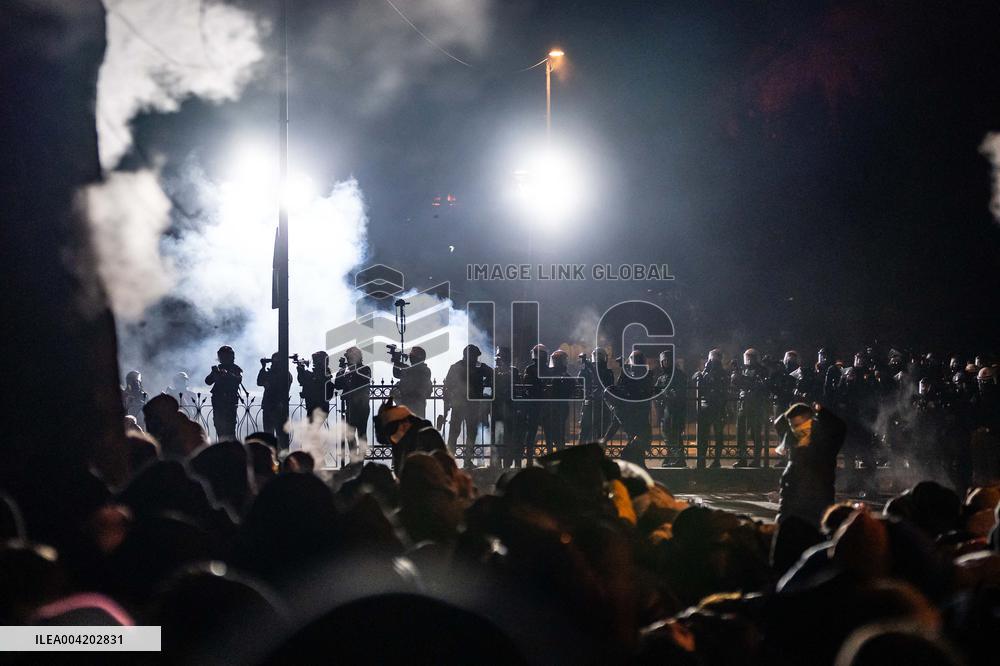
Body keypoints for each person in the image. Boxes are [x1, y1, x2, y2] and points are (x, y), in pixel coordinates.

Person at [773, 402, 845, 527]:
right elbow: (779, 423)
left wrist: (822, 412)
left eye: (798, 425)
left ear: (810, 423)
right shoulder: (794, 441)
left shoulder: (824, 444)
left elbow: (840, 428)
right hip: (794, 512)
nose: (795, 430)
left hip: (818, 507)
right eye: (792, 426)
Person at [603, 350, 655, 468]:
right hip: (638, 428)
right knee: (634, 457)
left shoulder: (644, 377)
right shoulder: (640, 376)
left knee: (631, 455)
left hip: (640, 429)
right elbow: (616, 422)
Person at [443, 345, 492, 466]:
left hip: (462, 404)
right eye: (475, 356)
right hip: (468, 404)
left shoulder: (457, 367)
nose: (476, 359)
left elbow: (448, 385)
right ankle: (464, 460)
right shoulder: (477, 367)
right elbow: (492, 374)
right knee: (467, 433)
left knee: (459, 433)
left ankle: (452, 461)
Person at [374, 401, 447, 473]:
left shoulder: (425, 438)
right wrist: (380, 419)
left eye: (390, 431)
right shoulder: (404, 437)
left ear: (403, 425)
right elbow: (382, 438)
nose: (391, 440)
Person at [732, 348, 769, 468]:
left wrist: (744, 381)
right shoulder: (744, 369)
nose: (748, 360)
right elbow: (737, 385)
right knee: (741, 433)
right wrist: (736, 375)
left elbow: (759, 386)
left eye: (750, 357)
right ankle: (742, 459)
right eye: (747, 357)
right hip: (743, 404)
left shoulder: (761, 370)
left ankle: (757, 460)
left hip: (756, 405)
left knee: (755, 434)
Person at [693, 349, 728, 469]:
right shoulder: (705, 372)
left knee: (718, 435)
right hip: (706, 407)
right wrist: (704, 371)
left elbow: (722, 387)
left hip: (718, 407)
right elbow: (695, 379)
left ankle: (716, 460)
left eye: (715, 359)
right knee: (703, 435)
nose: (712, 362)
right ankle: (701, 460)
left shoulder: (722, 373)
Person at [333, 347, 372, 455]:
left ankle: (361, 457)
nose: (349, 359)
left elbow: (363, 380)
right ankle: (354, 458)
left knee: (361, 433)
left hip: (362, 405)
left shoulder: (365, 369)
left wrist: (349, 369)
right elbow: (338, 385)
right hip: (350, 406)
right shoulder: (347, 371)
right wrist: (341, 370)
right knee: (349, 434)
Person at [517, 344, 550, 465]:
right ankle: (550, 460)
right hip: (545, 405)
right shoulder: (548, 369)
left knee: (531, 433)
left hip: (534, 405)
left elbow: (526, 385)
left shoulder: (530, 369)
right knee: (548, 434)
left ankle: (529, 460)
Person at [654, 351, 687, 467]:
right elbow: (656, 391)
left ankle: (679, 458)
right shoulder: (662, 377)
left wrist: (667, 393)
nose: (666, 363)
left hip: (677, 409)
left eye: (668, 360)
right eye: (664, 361)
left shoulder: (679, 375)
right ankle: (671, 457)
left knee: (673, 434)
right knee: (667, 432)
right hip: (666, 409)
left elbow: (680, 393)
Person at [205, 346, 242, 440]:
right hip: (218, 402)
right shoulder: (218, 368)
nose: (222, 358)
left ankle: (231, 446)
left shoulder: (235, 368)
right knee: (218, 425)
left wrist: (227, 374)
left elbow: (238, 379)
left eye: (224, 355)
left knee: (230, 428)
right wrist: (214, 373)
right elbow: (208, 381)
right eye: (221, 355)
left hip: (230, 402)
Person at [578, 347, 614, 444]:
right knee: (591, 432)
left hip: (596, 404)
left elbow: (606, 384)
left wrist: (586, 367)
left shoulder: (604, 372)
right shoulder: (591, 370)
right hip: (597, 404)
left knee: (587, 433)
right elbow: (580, 382)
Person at [257, 352, 292, 444]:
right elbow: (259, 382)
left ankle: (280, 451)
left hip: (278, 408)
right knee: (268, 435)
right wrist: (263, 368)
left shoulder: (285, 374)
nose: (273, 363)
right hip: (269, 407)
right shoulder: (271, 373)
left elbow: (281, 388)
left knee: (281, 436)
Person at [491, 346, 517, 467]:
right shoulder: (494, 372)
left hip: (509, 407)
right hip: (497, 407)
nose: (498, 360)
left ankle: (507, 461)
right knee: (496, 434)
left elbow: (517, 387)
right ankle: (496, 461)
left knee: (509, 435)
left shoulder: (513, 371)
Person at [543, 350, 573, 455]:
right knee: (559, 434)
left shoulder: (549, 374)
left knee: (550, 434)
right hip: (559, 408)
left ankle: (552, 455)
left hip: (551, 408)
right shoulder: (565, 375)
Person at [391, 345, 432, 419]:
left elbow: (410, 372)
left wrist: (398, 362)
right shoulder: (411, 369)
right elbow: (397, 374)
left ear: (419, 357)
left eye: (413, 354)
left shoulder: (424, 370)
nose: (410, 357)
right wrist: (396, 362)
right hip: (406, 403)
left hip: (417, 404)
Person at [296, 351, 333, 421]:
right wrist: (301, 369)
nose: (314, 362)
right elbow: (305, 380)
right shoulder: (324, 372)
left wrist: (301, 369)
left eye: (315, 360)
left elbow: (308, 381)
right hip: (316, 407)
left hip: (318, 408)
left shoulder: (323, 373)